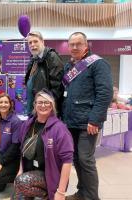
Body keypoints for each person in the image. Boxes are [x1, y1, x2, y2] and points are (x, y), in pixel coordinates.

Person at [62, 32, 113, 200]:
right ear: (68, 47)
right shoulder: (69, 67)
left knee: (85, 159)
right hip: (71, 121)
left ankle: (91, 196)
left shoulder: (98, 64)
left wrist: (95, 119)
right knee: (76, 158)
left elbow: (105, 93)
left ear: (86, 45)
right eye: (72, 44)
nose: (75, 47)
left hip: (88, 122)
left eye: (78, 44)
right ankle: (82, 192)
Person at [13, 89, 74, 200]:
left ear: (52, 105)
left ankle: (47, 195)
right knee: (17, 195)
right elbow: (22, 150)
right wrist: (20, 170)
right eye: (40, 102)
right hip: (30, 171)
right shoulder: (27, 124)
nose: (43, 105)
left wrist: (61, 192)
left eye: (47, 102)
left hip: (50, 176)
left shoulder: (60, 129)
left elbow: (67, 161)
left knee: (21, 182)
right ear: (35, 104)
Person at [24, 31, 64, 116]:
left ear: (42, 42)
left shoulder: (52, 57)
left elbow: (57, 88)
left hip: (45, 111)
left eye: (35, 41)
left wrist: (45, 108)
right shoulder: (33, 59)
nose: (32, 45)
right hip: (34, 109)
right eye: (30, 43)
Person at [0, 93, 22, 193]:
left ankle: (16, 176)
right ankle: (2, 173)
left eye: (6, 102)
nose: (3, 105)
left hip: (11, 158)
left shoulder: (15, 122)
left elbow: (15, 146)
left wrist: (1, 163)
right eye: (1, 102)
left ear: (10, 105)